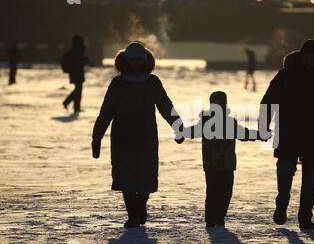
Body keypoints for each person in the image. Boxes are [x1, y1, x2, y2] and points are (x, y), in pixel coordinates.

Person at [91, 42, 184, 228]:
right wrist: (96, 137)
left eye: (140, 60)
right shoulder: (118, 83)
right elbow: (106, 112)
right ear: (126, 61)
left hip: (146, 136)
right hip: (122, 137)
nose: (136, 63)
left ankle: (140, 205)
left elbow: (166, 106)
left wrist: (178, 127)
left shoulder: (153, 82)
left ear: (145, 60)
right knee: (126, 177)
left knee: (146, 176)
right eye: (133, 60)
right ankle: (133, 214)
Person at [260, 40, 314, 230]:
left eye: (313, 57)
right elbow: (268, 101)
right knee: (284, 173)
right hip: (288, 132)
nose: (309, 60)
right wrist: (264, 127)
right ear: (301, 55)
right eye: (306, 56)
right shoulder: (285, 75)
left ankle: (305, 217)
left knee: (310, 179)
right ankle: (282, 203)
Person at [182, 91, 268, 228]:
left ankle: (219, 217)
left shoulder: (230, 123)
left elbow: (244, 134)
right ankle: (211, 219)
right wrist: (182, 134)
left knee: (226, 193)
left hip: (227, 165)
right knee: (213, 192)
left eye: (221, 104)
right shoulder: (206, 123)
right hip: (212, 165)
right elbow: (192, 131)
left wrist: (259, 135)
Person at [62, 35, 92, 113]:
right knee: (78, 89)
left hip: (75, 72)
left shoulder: (74, 50)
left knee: (78, 89)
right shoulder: (78, 50)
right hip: (77, 72)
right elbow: (82, 59)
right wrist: (89, 63)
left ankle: (75, 106)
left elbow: (82, 59)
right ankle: (70, 103)